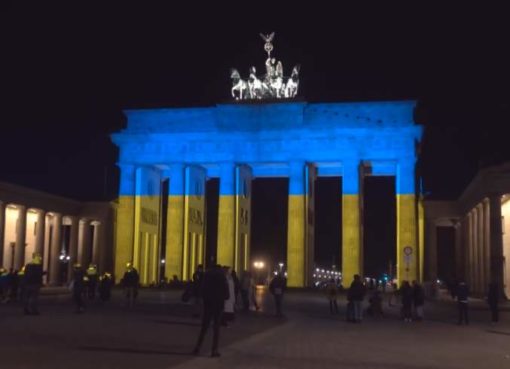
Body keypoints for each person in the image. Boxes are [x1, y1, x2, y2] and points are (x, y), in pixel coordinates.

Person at [192, 264, 229, 358]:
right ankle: (214, 350)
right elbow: (227, 294)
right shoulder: (222, 277)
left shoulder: (206, 276)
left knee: (204, 327)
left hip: (208, 304)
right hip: (218, 305)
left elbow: (201, 290)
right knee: (216, 328)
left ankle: (197, 347)